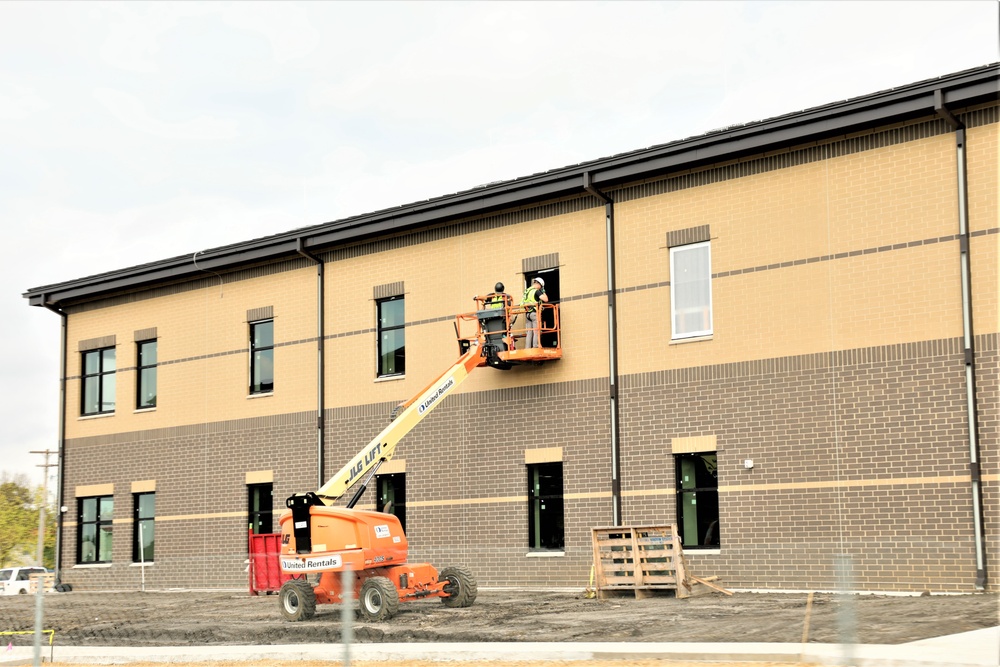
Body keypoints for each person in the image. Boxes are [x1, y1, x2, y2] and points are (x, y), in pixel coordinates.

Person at [521, 276, 549, 348]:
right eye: (541, 287)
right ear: (539, 284)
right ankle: (535, 346)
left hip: (527, 313)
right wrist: (543, 291)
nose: (540, 288)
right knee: (536, 331)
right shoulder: (536, 291)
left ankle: (527, 348)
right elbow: (545, 299)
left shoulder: (527, 291)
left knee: (529, 332)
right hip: (534, 313)